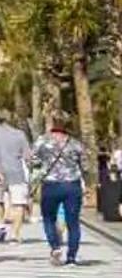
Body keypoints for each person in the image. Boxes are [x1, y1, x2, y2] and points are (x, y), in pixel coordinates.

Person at [29, 111, 89, 266]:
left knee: (49, 218)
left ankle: (55, 246)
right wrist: (86, 184)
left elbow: (33, 161)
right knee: (73, 222)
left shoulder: (42, 141)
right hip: (72, 185)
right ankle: (71, 257)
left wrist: (37, 176)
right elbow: (85, 166)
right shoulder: (75, 143)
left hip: (51, 185)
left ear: (52, 122)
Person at [0, 110, 31, 245]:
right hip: (16, 172)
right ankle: (15, 234)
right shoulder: (19, 134)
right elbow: (27, 156)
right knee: (18, 203)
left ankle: (0, 224)